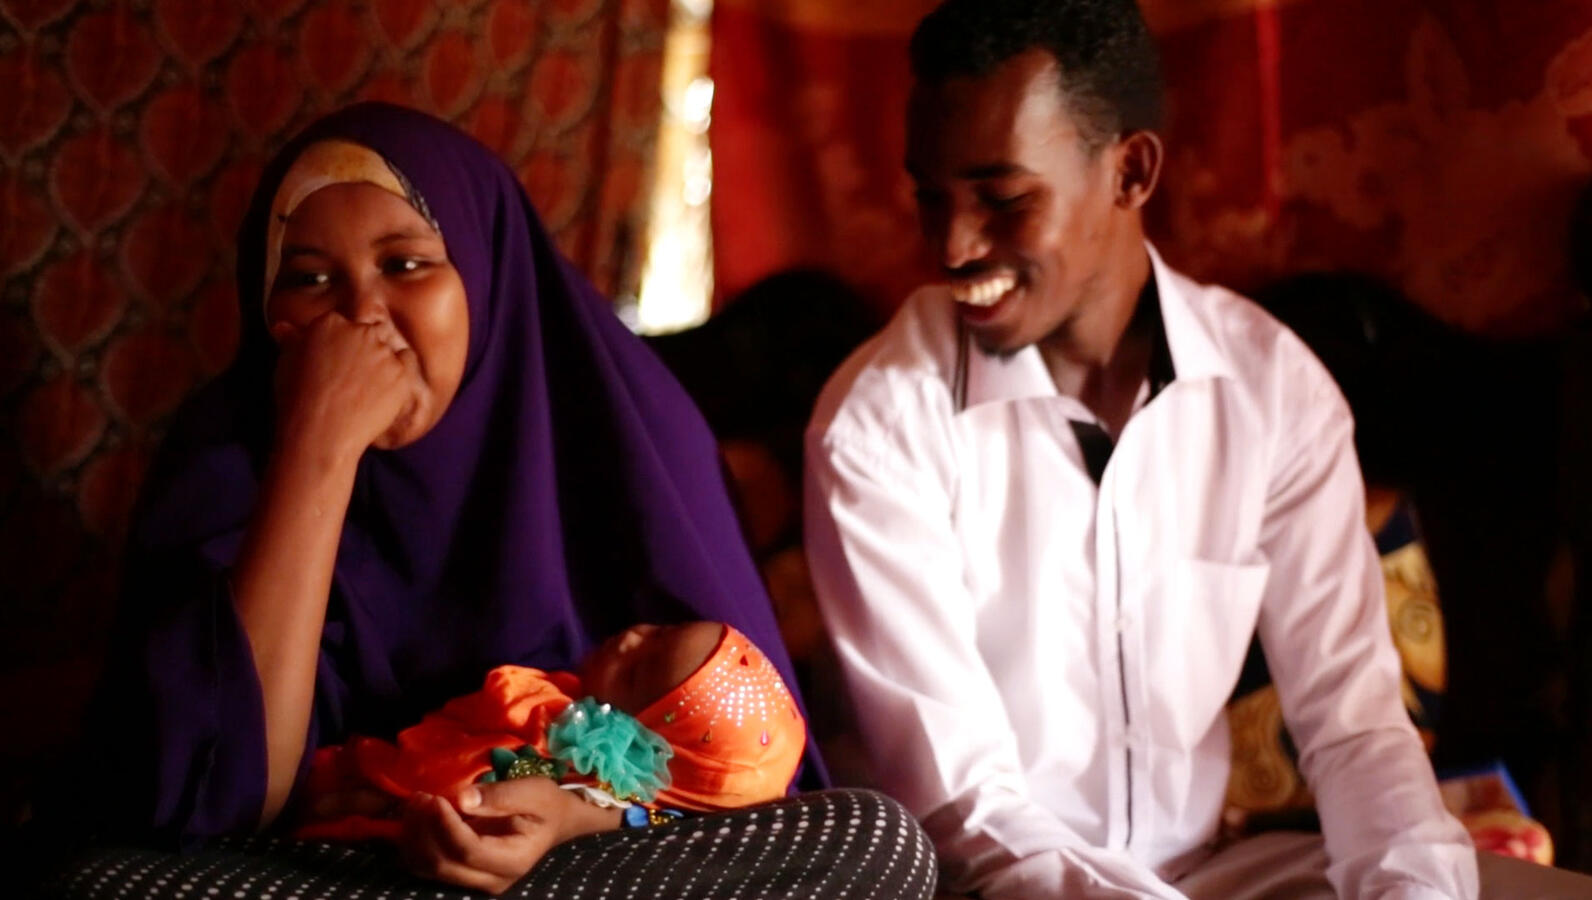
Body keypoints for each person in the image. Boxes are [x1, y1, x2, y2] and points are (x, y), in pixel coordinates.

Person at [804, 1, 1592, 896]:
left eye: (1003, 198)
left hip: (1212, 872)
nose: (953, 245)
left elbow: (1354, 726)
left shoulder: (1273, 390)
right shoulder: (875, 427)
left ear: (1131, 171)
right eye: (931, 197)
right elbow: (969, 814)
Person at [47, 103, 935, 900]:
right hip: (334, 872)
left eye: (406, 265)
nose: (361, 314)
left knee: (873, 839)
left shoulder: (627, 433)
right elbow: (218, 793)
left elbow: (747, 770)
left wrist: (572, 816)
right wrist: (317, 451)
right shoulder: (226, 455)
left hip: (577, 870)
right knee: (99, 882)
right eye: (310, 280)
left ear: (485, 276)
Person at [296, 621, 806, 842]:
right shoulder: (567, 696)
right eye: (660, 631)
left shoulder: (558, 751)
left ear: (640, 743)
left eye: (636, 673)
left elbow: (464, 781)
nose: (631, 638)